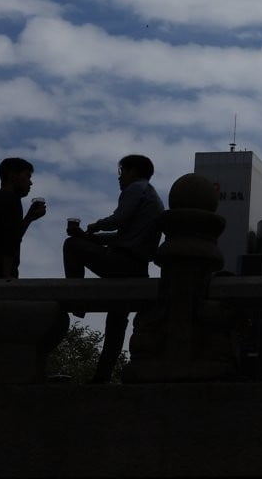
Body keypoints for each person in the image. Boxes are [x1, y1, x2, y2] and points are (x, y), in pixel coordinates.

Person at [63, 154, 164, 383]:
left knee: (71, 246)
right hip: (138, 267)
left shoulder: (136, 189)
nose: (119, 178)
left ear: (133, 171)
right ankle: (102, 377)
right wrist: (92, 237)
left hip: (122, 262)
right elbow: (123, 236)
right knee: (117, 322)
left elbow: (118, 220)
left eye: (122, 172)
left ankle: (76, 301)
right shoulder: (152, 196)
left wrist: (94, 227)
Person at [0, 158, 46, 279]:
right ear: (12, 175)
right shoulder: (11, 200)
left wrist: (29, 218)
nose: (30, 182)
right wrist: (7, 274)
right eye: (27, 176)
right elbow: (10, 242)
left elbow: (12, 236)